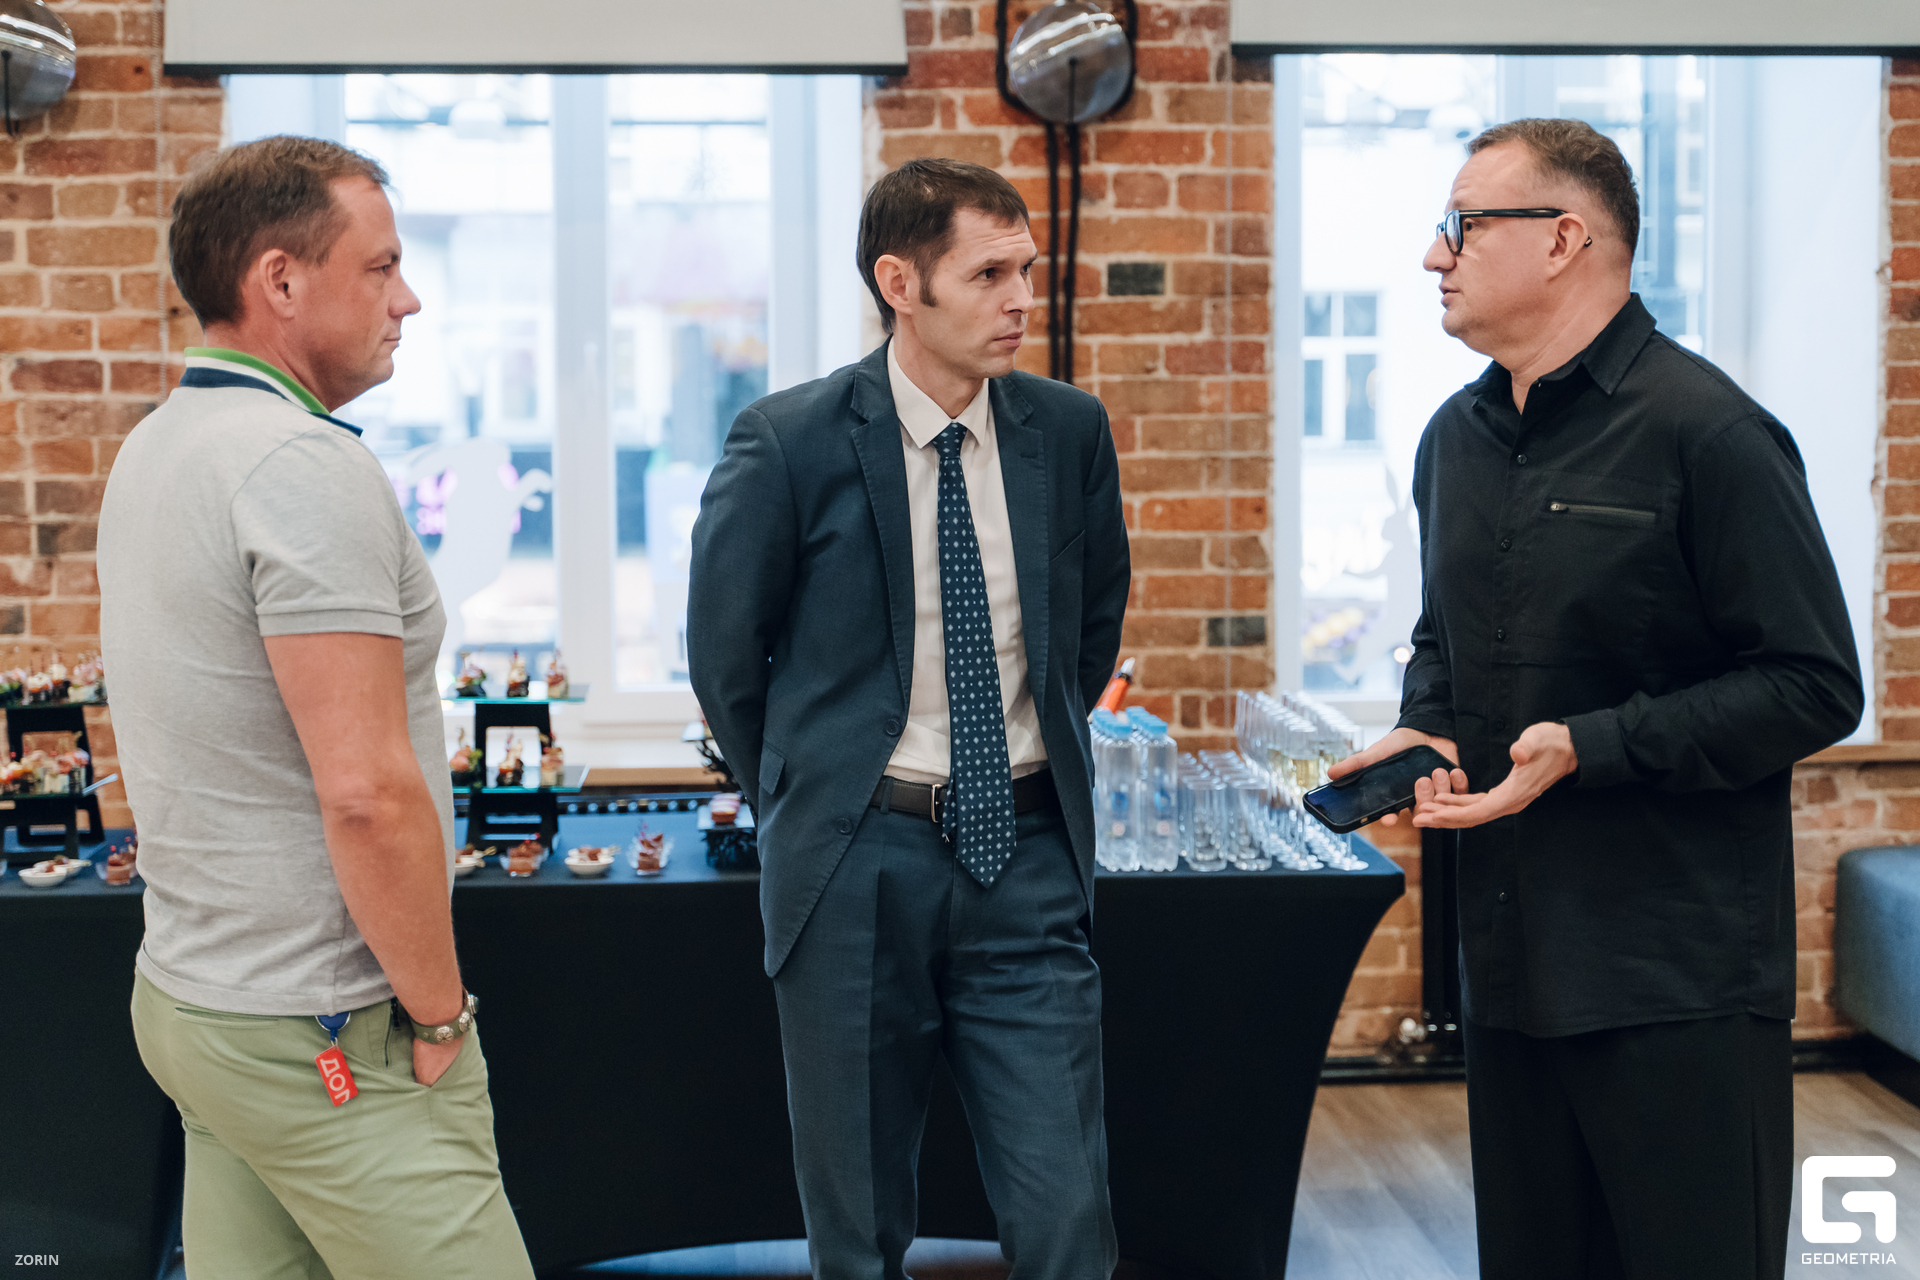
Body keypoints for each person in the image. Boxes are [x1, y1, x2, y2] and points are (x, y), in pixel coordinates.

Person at [1331, 118, 1864, 1280]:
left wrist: (1592, 743)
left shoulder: (1711, 431)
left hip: (1676, 979)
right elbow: (1444, 637)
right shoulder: (1454, 440)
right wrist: (1426, 717)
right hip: (1510, 968)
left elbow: (1814, 682)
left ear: (1565, 237)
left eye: (1462, 225)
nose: (1435, 255)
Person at [98, 136, 534, 1279]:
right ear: (281, 282)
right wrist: (439, 1015)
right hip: (321, 1025)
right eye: (381, 266)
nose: (408, 298)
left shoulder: (160, 442)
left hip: (201, 1001)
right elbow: (366, 793)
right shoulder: (297, 463)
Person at [687, 157, 1130, 1280]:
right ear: (901, 283)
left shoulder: (1069, 431)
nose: (1020, 298)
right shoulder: (788, 441)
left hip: (1028, 855)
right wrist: (810, 795)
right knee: (858, 1223)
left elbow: (1087, 635)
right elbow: (727, 660)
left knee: (1068, 1208)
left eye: (1025, 269)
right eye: (987, 275)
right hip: (854, 865)